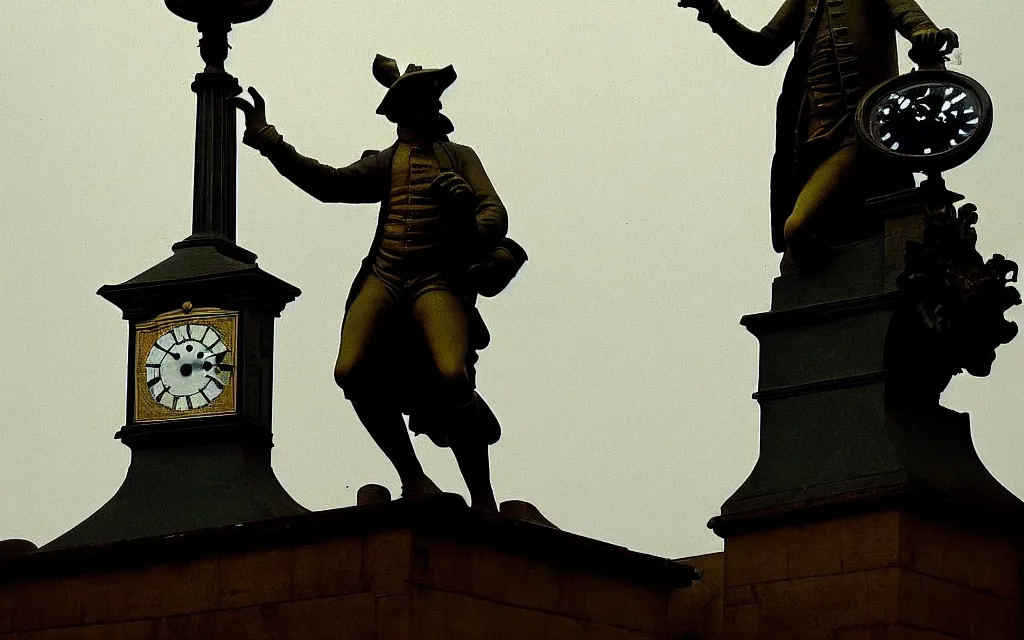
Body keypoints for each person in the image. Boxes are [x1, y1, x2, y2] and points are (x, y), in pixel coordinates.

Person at [230, 55, 526, 511]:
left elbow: (495, 214)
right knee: (350, 370)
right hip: (385, 276)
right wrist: (269, 141)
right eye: (415, 98)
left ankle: (482, 496)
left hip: (436, 281)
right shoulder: (388, 163)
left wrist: (466, 206)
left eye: (429, 96)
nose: (424, 104)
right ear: (399, 109)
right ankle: (413, 478)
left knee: (452, 375)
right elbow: (327, 183)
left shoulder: (460, 157)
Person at [676, 0, 957, 260]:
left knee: (798, 228)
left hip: (858, 133)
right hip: (807, 143)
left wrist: (925, 33)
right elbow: (763, 47)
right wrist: (713, 12)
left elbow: (908, 14)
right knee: (809, 233)